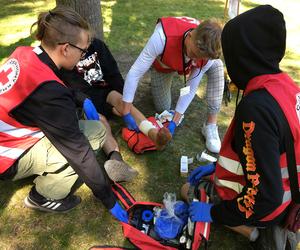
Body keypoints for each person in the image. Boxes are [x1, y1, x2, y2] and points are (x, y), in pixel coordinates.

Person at [182, 5, 300, 249]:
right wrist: (216, 166)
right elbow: (274, 150)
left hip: (269, 206)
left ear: (244, 55)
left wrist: (213, 214)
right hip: (291, 195)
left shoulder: (255, 109)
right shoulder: (287, 86)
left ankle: (258, 233)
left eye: (231, 53)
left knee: (187, 190)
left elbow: (265, 197)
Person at [0, 6, 128, 222]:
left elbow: (45, 80)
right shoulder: (51, 95)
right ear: (66, 48)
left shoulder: (27, 52)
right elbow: (79, 153)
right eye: (82, 48)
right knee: (95, 133)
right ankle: (44, 195)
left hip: (8, 136)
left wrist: (80, 98)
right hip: (6, 156)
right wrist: (109, 199)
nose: (84, 52)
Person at [122, 16, 224, 153]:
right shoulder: (161, 37)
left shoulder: (207, 57)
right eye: (193, 53)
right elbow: (135, 73)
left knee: (217, 67)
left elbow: (192, 86)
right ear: (190, 36)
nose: (195, 60)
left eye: (200, 58)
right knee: (162, 108)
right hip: (165, 64)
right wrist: (126, 111)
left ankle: (211, 124)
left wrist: (175, 120)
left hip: (183, 61)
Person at [59, 38, 172, 157]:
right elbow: (80, 92)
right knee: (100, 120)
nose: (87, 46)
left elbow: (113, 72)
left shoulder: (96, 45)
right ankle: (115, 157)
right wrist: (110, 109)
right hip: (87, 101)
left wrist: (124, 101)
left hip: (106, 92)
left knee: (120, 101)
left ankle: (153, 134)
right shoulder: (66, 61)